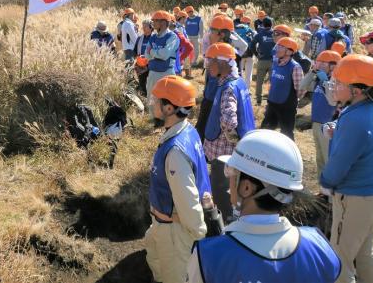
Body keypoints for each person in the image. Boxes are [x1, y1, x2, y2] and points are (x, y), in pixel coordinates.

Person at [187, 129, 341, 283]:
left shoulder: (209, 256)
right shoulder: (318, 246)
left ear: (246, 188)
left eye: (232, 172)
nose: (229, 179)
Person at [320, 54, 373, 283]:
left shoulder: (355, 120)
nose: (334, 86)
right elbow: (355, 138)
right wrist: (338, 130)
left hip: (355, 198)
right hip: (370, 197)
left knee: (339, 260)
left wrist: (325, 182)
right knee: (363, 254)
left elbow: (338, 165)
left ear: (357, 90)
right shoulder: (367, 109)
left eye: (340, 83)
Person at [145, 75, 211, 283]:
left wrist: (198, 233)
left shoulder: (175, 152)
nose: (152, 103)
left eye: (157, 100)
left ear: (169, 108)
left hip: (174, 233)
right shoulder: (188, 131)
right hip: (164, 225)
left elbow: (187, 198)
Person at [203, 43, 256, 222]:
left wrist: (234, 143)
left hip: (224, 152)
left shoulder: (227, 88)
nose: (208, 65)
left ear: (223, 63)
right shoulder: (238, 81)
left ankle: (225, 222)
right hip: (234, 149)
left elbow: (228, 121)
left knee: (221, 189)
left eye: (211, 61)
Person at [299, 50, 341, 177]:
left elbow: (333, 101)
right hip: (316, 123)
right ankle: (323, 189)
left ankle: (331, 192)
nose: (319, 65)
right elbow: (302, 85)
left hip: (328, 125)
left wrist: (325, 82)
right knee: (320, 158)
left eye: (323, 63)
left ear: (333, 66)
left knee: (328, 159)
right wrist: (312, 71)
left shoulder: (337, 82)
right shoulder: (319, 77)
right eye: (318, 62)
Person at [195, 15, 234, 141]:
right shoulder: (217, 50)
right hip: (210, 96)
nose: (209, 34)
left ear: (221, 34)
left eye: (212, 31)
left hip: (215, 101)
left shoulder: (224, 54)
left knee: (205, 129)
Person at [261, 37, 304, 140]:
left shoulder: (295, 67)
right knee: (265, 129)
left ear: (289, 52)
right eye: (277, 46)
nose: (277, 49)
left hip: (286, 106)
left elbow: (301, 89)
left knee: (287, 133)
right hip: (272, 103)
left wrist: (292, 101)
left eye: (281, 47)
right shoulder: (275, 61)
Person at [145, 11, 180, 108]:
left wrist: (152, 51)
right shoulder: (153, 37)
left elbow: (164, 55)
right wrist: (156, 53)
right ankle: (154, 120)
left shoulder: (172, 37)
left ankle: (167, 122)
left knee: (168, 101)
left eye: (155, 21)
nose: (153, 23)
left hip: (166, 73)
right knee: (151, 100)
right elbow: (146, 55)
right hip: (153, 73)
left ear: (163, 23)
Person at [249, 17, 275, 106]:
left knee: (259, 81)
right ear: (272, 24)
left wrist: (257, 54)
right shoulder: (275, 34)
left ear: (263, 24)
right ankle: (271, 99)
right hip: (273, 61)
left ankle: (259, 101)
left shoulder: (259, 34)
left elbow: (252, 45)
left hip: (262, 60)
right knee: (273, 81)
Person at [236, 16, 256, 87]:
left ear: (241, 22)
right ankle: (247, 90)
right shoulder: (252, 31)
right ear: (249, 23)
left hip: (239, 55)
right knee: (248, 74)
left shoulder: (236, 30)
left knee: (239, 72)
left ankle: (239, 89)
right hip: (250, 55)